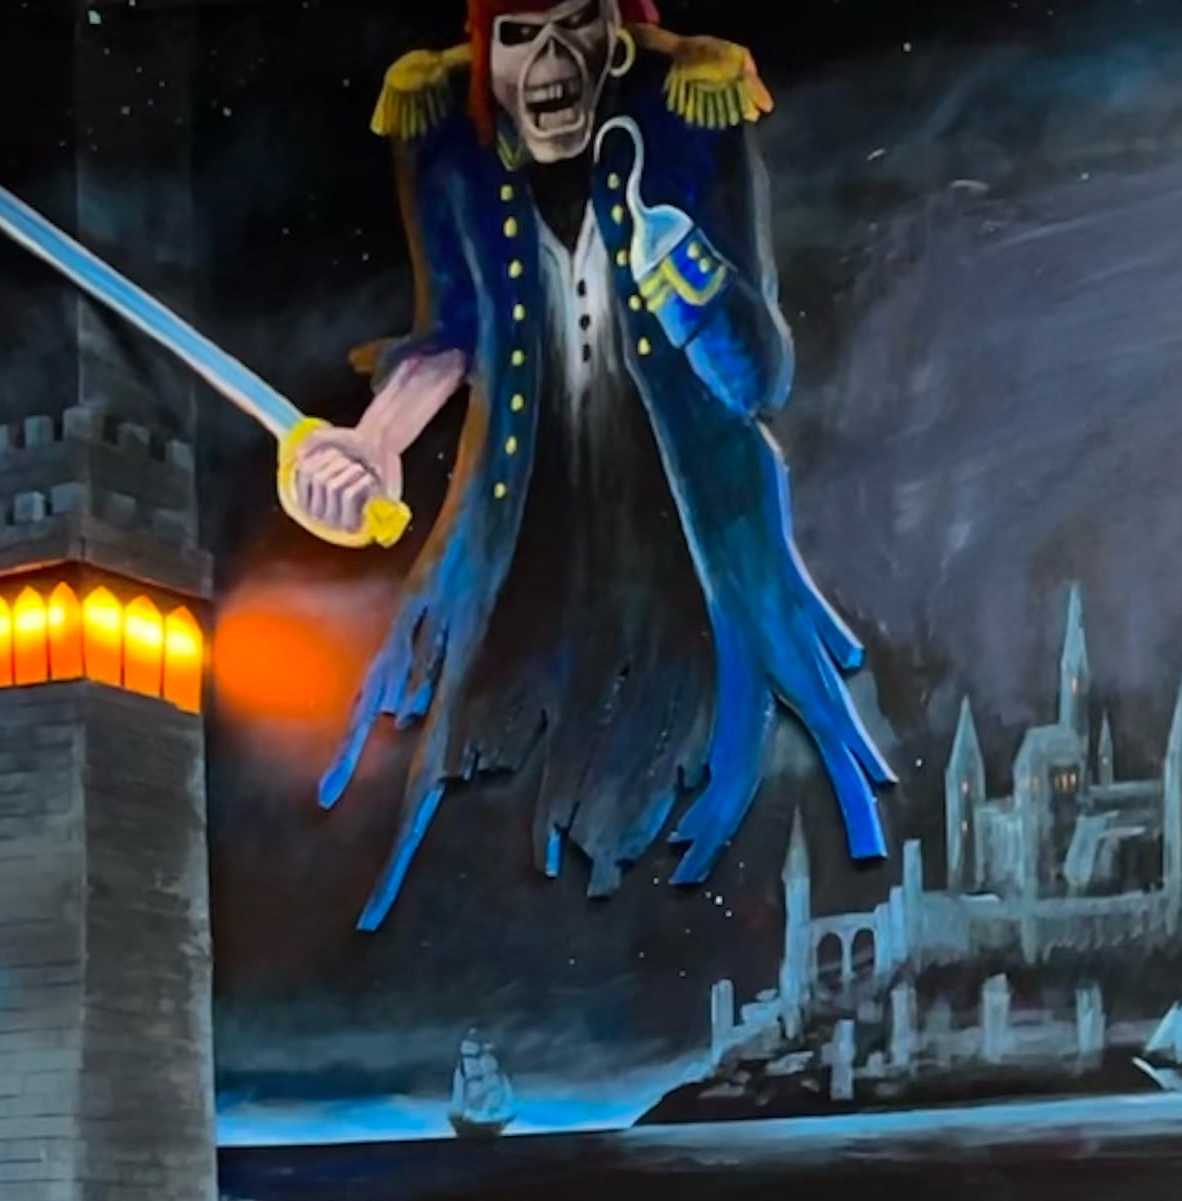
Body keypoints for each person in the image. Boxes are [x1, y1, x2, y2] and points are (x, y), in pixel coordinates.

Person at [279, 0, 896, 929]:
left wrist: (691, 286)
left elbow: (760, 376)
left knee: (692, 782)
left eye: (576, 23)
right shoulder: (448, 136)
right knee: (479, 794)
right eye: (520, 36)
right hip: (526, 535)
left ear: (618, 28)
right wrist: (374, 441)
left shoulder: (690, 103)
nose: (551, 58)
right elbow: (453, 328)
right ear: (484, 50)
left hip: (693, 541)